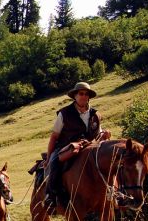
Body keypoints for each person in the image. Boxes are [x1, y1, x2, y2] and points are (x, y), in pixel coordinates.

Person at [44, 81, 111, 209]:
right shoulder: (64, 113)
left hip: (90, 146)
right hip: (66, 146)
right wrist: (48, 157)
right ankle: (51, 197)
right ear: (75, 95)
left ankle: (114, 193)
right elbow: (54, 136)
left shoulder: (95, 114)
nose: (84, 96)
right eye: (81, 93)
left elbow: (98, 132)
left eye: (86, 94)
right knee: (55, 163)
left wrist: (104, 133)